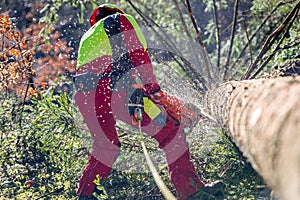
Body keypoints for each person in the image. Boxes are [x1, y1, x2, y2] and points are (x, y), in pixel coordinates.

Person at [74, 4, 222, 199]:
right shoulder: (120, 20)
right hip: (118, 92)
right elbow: (137, 55)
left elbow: (104, 71)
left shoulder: (88, 38)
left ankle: (84, 195)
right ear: (116, 12)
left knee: (105, 145)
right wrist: (154, 90)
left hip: (87, 98)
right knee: (171, 132)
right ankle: (190, 190)